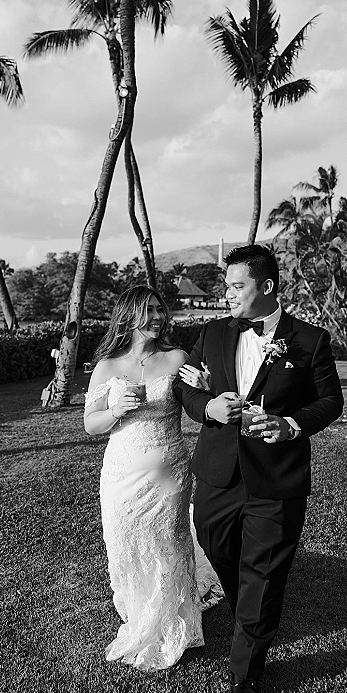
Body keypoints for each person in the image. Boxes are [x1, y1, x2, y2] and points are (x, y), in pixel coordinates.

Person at [174, 245, 344, 693]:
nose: (226, 294)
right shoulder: (211, 333)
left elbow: (330, 402)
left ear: (266, 287)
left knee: (264, 575)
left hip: (277, 477)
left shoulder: (310, 340)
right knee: (216, 544)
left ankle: (245, 670)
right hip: (218, 472)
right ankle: (248, 605)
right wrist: (205, 406)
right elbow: (184, 384)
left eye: (235, 286)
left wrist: (291, 425)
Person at [84, 285, 222, 671]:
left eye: (161, 310)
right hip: (120, 474)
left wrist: (207, 388)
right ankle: (137, 609)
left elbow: (196, 404)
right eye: (149, 311)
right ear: (128, 316)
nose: (159, 317)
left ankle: (172, 617)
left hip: (170, 472)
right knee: (125, 539)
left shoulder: (176, 357)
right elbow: (90, 424)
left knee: (168, 543)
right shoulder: (107, 366)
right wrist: (114, 409)